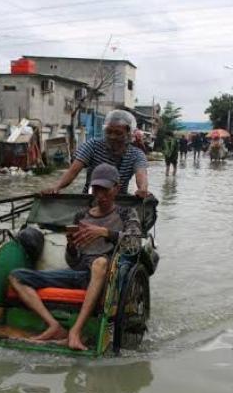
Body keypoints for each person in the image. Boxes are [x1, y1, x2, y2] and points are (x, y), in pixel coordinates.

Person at [10, 164, 141, 350]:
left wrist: (106, 233)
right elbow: (73, 262)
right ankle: (54, 326)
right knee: (17, 276)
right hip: (80, 275)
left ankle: (75, 331)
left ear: (116, 188)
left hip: (110, 278)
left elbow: (135, 244)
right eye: (96, 189)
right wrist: (71, 247)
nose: (100, 195)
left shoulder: (126, 213)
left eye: (105, 189)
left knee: (100, 262)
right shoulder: (81, 216)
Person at [43, 110, 149, 197]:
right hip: (90, 198)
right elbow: (73, 170)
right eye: (109, 132)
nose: (112, 136)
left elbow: (141, 175)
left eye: (118, 133)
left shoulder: (137, 155)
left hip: (119, 200)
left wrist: (143, 190)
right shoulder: (93, 145)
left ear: (129, 134)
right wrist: (56, 187)